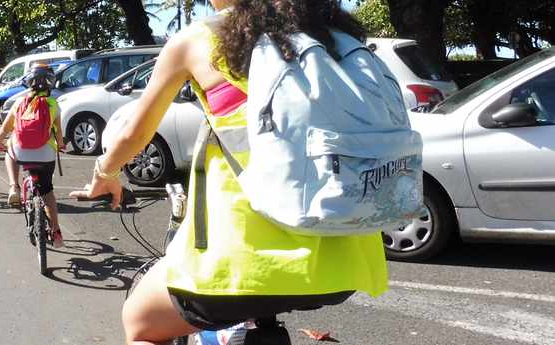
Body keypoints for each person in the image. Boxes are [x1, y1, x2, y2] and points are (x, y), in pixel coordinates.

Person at [70, 1, 390, 344]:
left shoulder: (199, 39)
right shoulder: (333, 34)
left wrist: (104, 173)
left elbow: (135, 133)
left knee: (140, 322)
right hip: (346, 262)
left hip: (243, 262)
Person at [0, 64, 66, 248]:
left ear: (28, 83)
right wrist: (61, 145)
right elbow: (58, 135)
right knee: (47, 191)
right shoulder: (53, 105)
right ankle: (56, 231)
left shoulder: (19, 103)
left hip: (21, 151)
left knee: (10, 150)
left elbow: (6, 128)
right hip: (46, 154)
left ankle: (14, 187)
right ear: (51, 83)